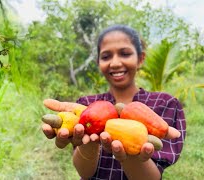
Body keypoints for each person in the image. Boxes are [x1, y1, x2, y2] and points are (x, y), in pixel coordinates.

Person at [42, 24, 186, 180]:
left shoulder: (165, 103)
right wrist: (89, 142)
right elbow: (84, 173)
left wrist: (130, 150)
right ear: (98, 62)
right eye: (106, 56)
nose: (115, 63)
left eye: (125, 54)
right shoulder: (86, 104)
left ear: (140, 58)